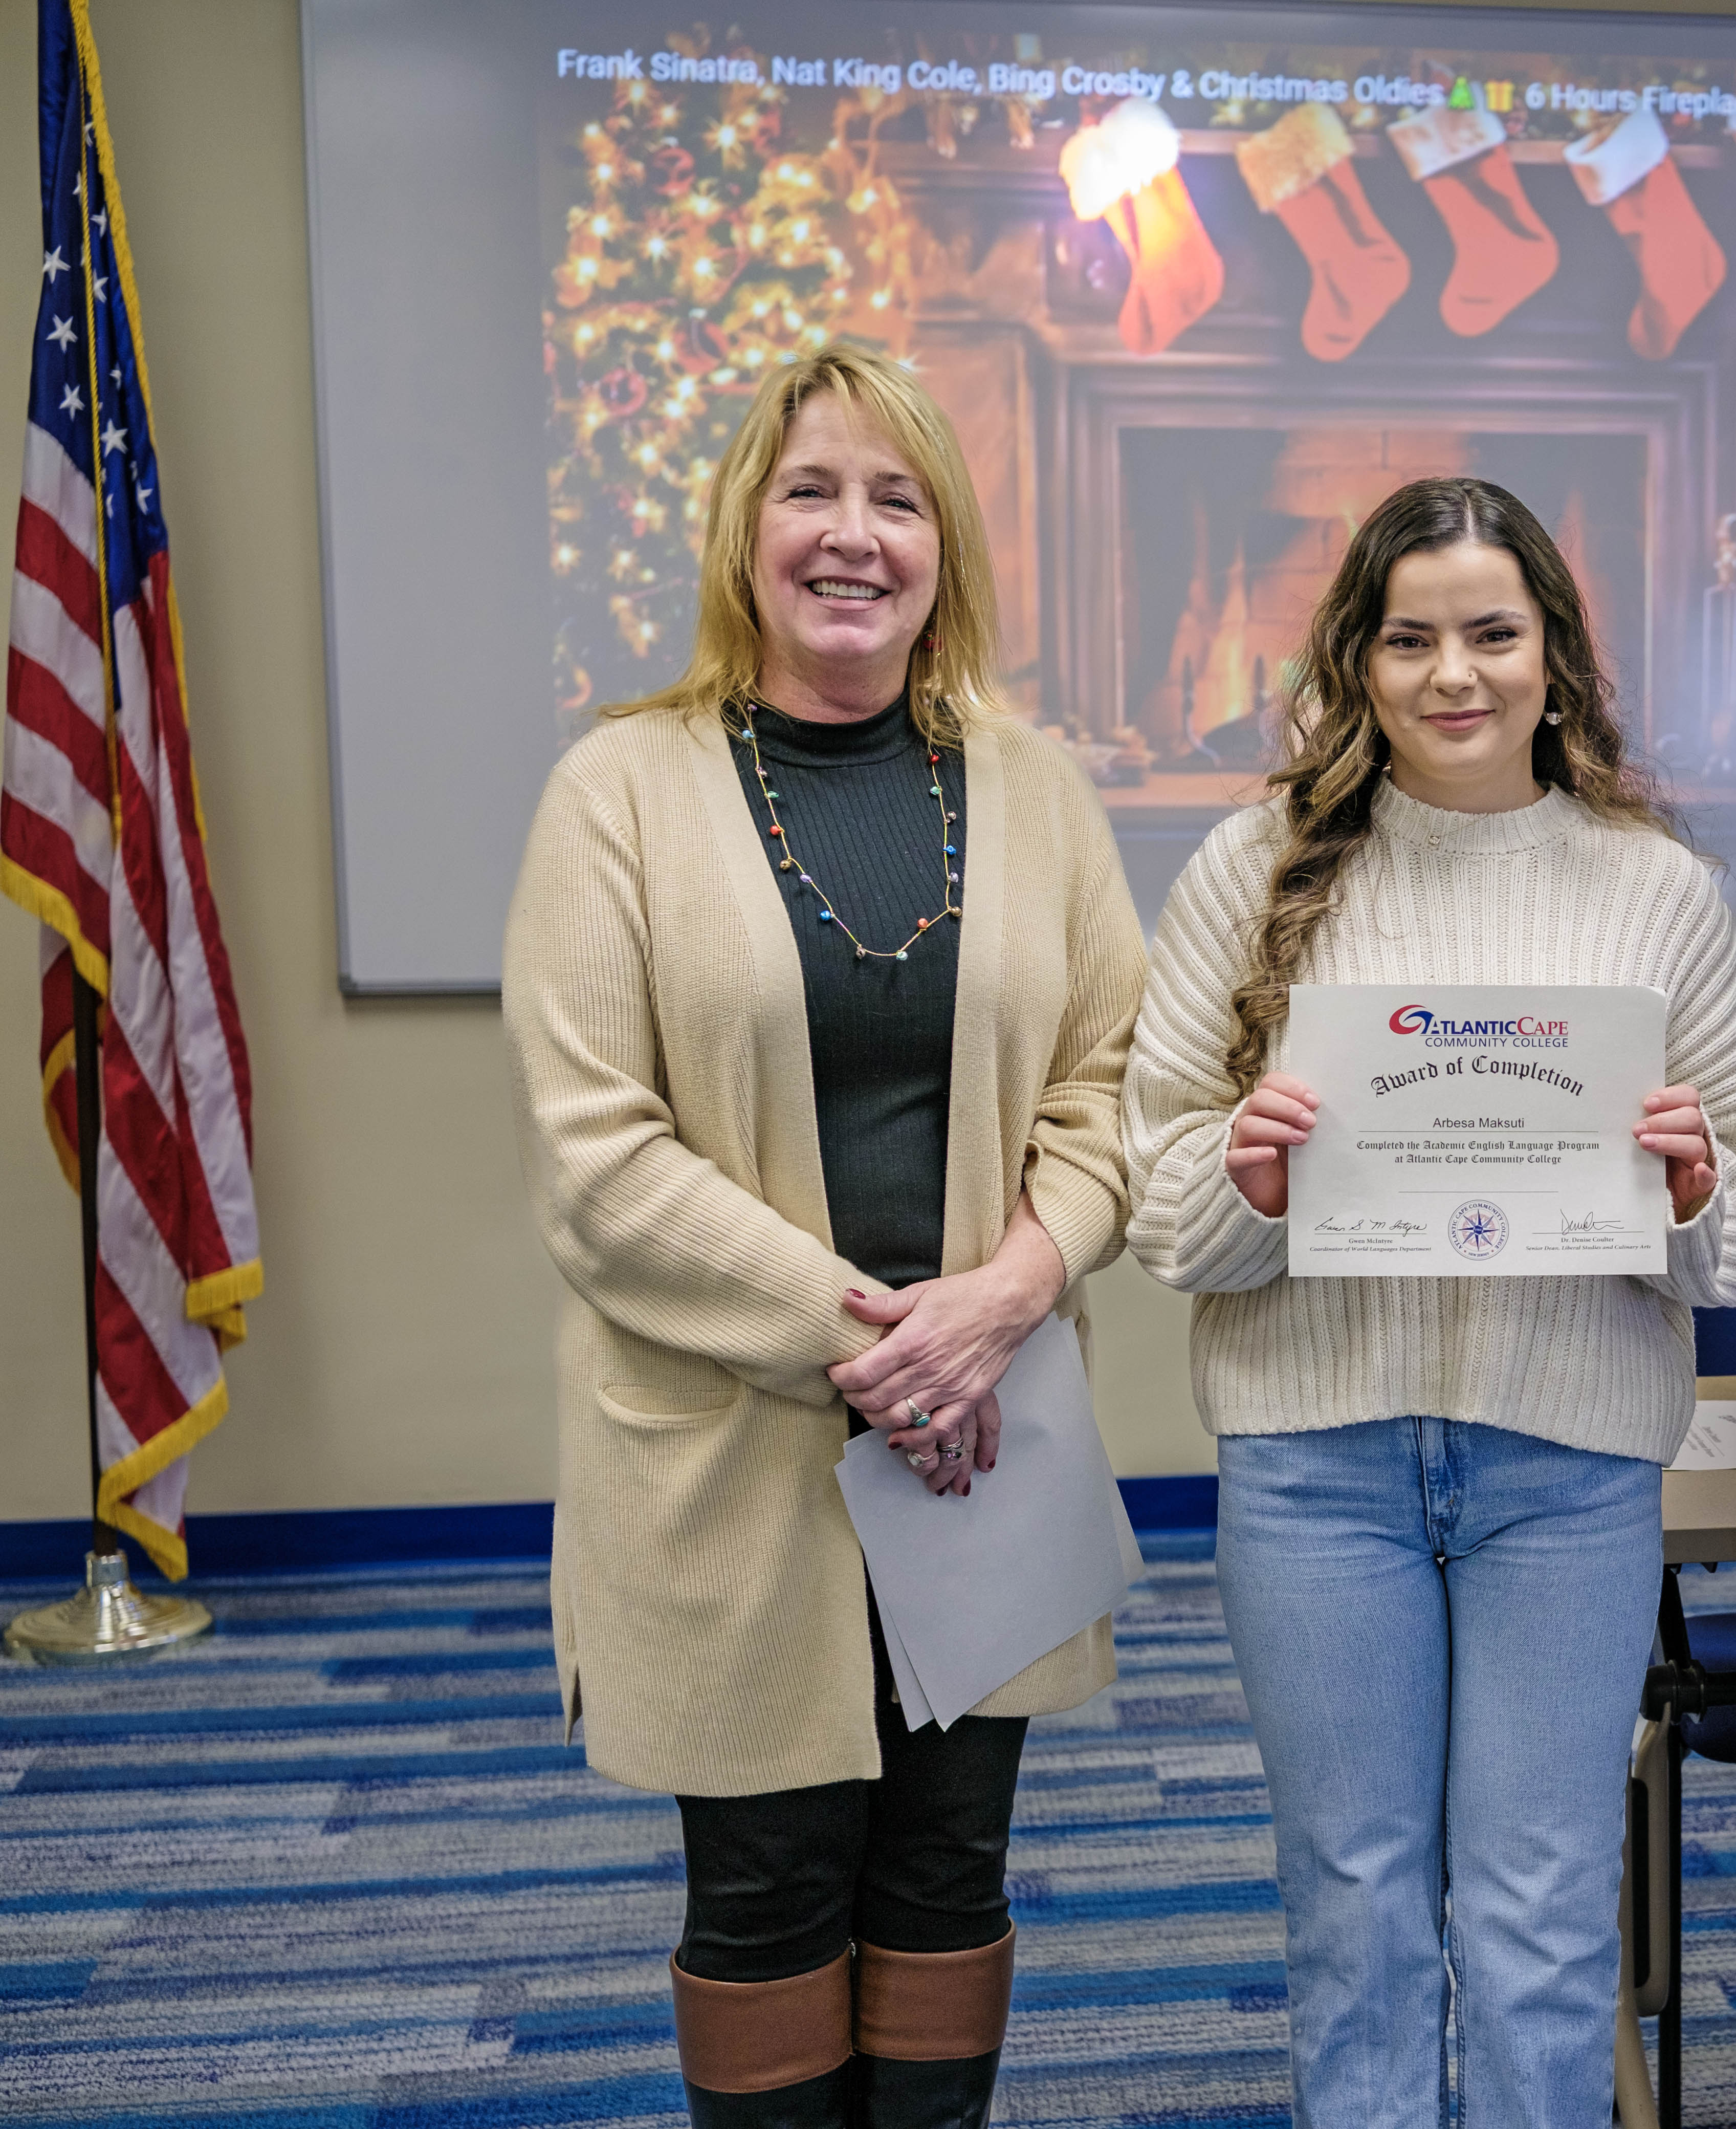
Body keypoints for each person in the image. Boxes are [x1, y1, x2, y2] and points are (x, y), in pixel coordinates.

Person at [504, 346, 1142, 2129]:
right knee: (769, 1895)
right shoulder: (617, 793)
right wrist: (880, 1340)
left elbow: (1114, 1089)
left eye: (897, 495)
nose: (852, 534)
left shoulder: (1038, 792)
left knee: (952, 1881)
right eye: (811, 491)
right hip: (735, 1452)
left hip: (987, 1438)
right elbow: (596, 1155)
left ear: (945, 546)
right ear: (742, 529)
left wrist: (1009, 1294)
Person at [1119, 476, 1736, 2128]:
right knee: (1351, 1909)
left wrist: (1692, 1184)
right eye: (1410, 639)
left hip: (1565, 1472)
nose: (1453, 676)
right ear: (1359, 661)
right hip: (1314, 1464)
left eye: (1492, 633)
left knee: (1543, 1918)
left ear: (1554, 654)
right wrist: (1251, 1174)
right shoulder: (1247, 869)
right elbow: (1161, 1208)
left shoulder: (1653, 890)